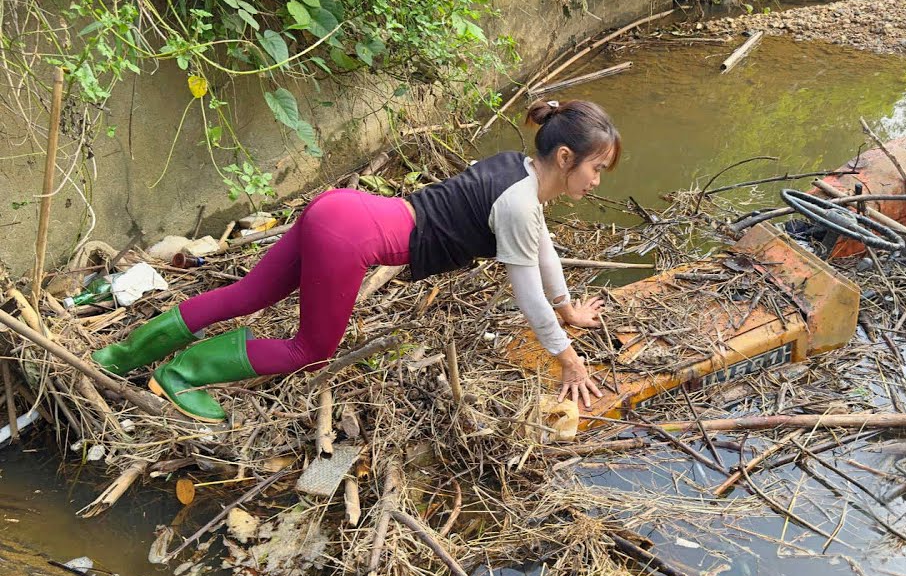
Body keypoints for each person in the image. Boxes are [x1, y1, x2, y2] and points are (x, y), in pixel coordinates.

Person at [92, 99, 616, 422]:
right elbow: (526, 292)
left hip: (340, 209)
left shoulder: (517, 171)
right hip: (349, 238)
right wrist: (568, 358)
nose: (596, 182)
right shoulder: (521, 204)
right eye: (596, 169)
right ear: (565, 158)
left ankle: (119, 357)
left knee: (248, 293)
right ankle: (182, 374)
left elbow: (540, 244)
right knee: (313, 348)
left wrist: (567, 308)